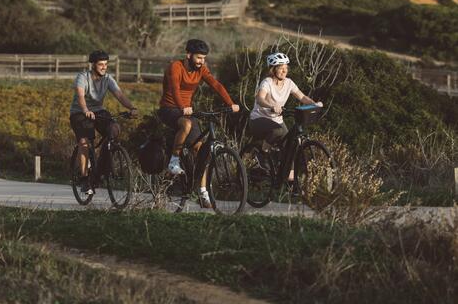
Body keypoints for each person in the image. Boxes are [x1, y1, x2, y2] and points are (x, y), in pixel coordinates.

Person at [158, 39, 239, 208]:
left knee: (201, 150)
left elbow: (215, 84)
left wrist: (230, 103)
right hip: (169, 109)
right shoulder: (176, 67)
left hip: (187, 111)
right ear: (188, 55)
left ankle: (203, 192)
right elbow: (174, 89)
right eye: (198, 57)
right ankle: (173, 161)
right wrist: (182, 108)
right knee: (186, 125)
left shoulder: (201, 69)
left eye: (204, 58)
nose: (201, 61)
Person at [69, 50, 138, 195]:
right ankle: (84, 178)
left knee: (114, 129)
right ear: (93, 65)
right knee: (85, 143)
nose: (104, 67)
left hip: (99, 111)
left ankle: (100, 170)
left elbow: (119, 95)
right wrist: (85, 110)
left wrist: (131, 108)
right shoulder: (83, 77)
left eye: (106, 64)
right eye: (101, 64)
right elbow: (81, 96)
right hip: (79, 113)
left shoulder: (108, 79)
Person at [249, 52, 322, 181]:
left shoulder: (289, 83)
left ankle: (289, 177)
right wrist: (271, 105)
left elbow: (302, 97)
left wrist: (314, 104)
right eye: (281, 67)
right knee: (278, 130)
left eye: (286, 67)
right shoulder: (267, 82)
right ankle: (262, 154)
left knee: (291, 144)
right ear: (273, 69)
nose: (284, 70)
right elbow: (260, 98)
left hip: (277, 120)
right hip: (259, 119)